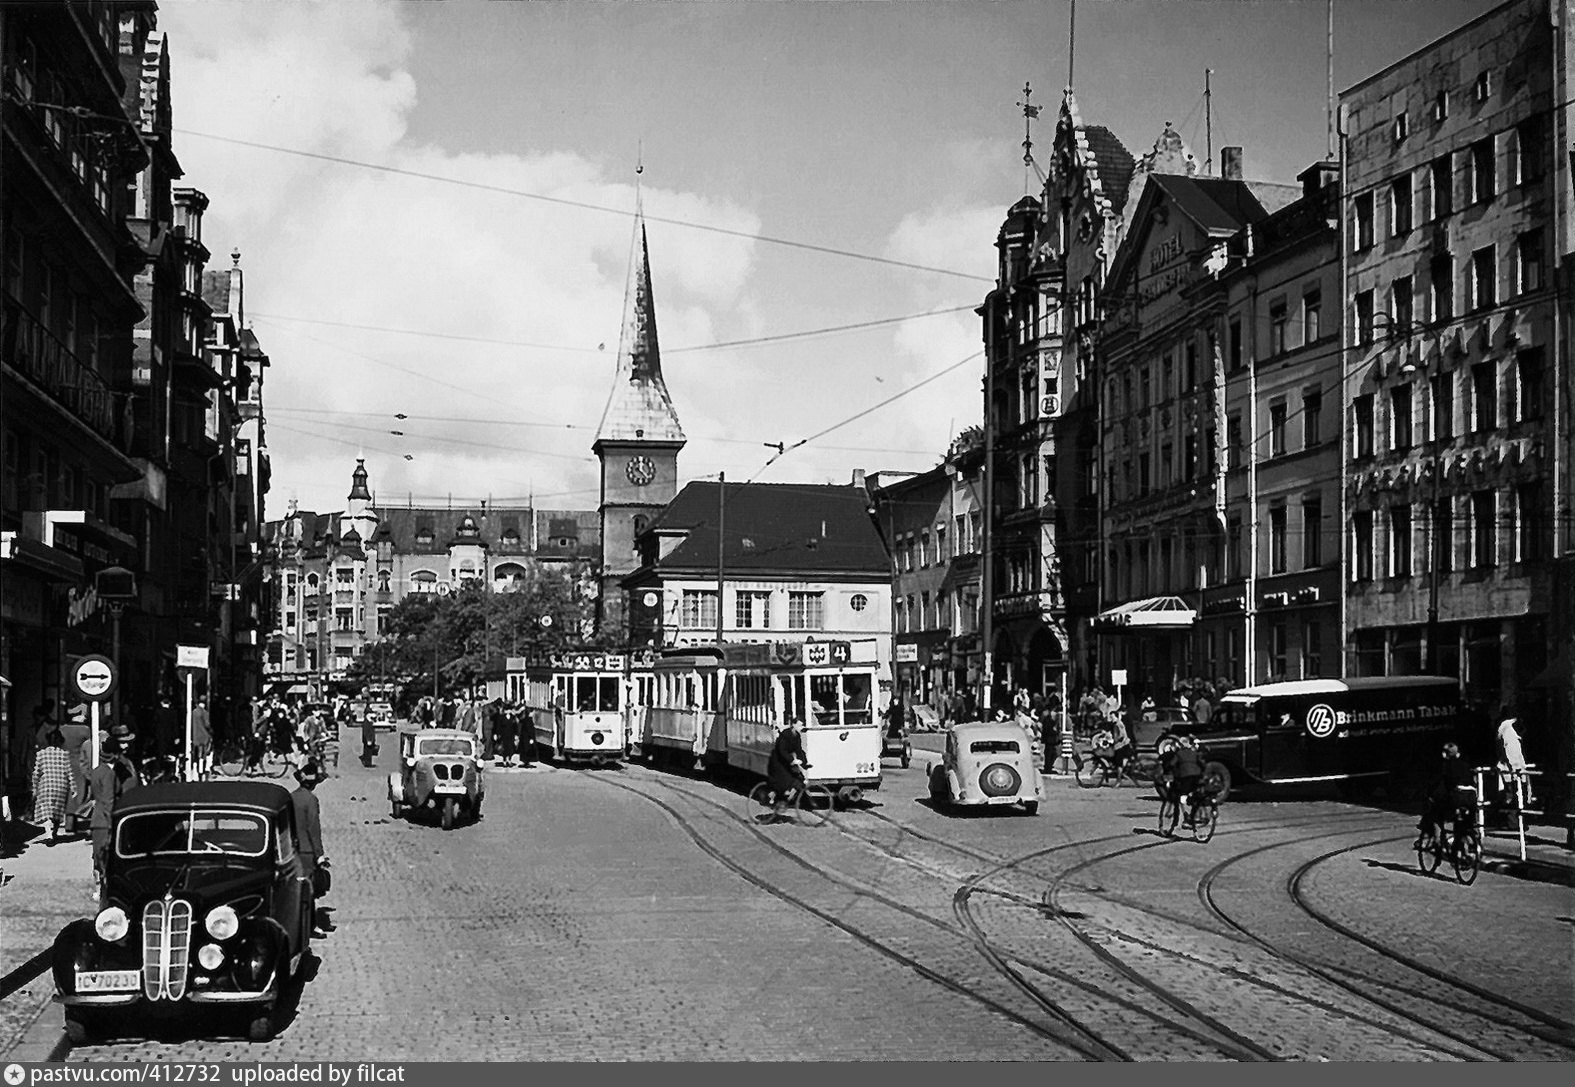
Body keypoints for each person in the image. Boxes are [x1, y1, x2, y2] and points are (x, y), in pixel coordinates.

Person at [291, 762, 330, 936]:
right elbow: (313, 829)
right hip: (307, 852)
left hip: (292, 850)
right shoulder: (311, 800)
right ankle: (309, 926)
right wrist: (320, 854)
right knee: (309, 892)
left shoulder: (291, 797)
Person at [1419, 742, 1476, 842]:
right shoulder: (1466, 765)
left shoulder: (1446, 765)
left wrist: (1428, 794)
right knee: (1465, 821)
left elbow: (1439, 783)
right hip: (1471, 797)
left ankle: (1439, 839)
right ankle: (1472, 840)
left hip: (1457, 797)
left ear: (1444, 754)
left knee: (1437, 814)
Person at [29, 729, 73, 840]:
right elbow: (69, 772)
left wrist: (34, 787)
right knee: (58, 811)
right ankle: (55, 832)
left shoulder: (41, 754)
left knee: (45, 810)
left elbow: (36, 773)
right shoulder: (65, 754)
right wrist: (73, 787)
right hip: (61, 786)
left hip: (46, 786)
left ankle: (49, 834)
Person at [765, 718, 811, 820]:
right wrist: (792, 760)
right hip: (778, 762)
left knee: (797, 779)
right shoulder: (785, 734)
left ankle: (785, 798)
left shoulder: (797, 736)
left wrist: (804, 762)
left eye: (802, 726)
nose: (801, 728)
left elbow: (799, 750)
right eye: (799, 725)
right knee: (786, 780)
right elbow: (782, 750)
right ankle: (775, 797)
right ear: (793, 725)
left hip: (787, 761)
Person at [1159, 736, 1205, 826]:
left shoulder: (1179, 754)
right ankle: (1193, 815)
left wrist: (1167, 769)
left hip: (1186, 778)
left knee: (1179, 795)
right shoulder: (1194, 753)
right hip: (1197, 777)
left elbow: (1172, 764)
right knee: (1195, 795)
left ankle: (1179, 820)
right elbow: (1202, 763)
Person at [1495, 705, 1531, 806]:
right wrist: (1516, 770)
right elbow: (1509, 752)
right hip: (1512, 772)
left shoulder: (1508, 728)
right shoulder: (1508, 729)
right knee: (1514, 800)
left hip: (1513, 770)